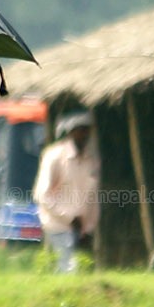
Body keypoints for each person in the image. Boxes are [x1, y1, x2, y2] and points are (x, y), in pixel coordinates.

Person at [34, 112, 100, 273]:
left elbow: (91, 195)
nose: (84, 134)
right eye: (80, 130)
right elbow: (42, 194)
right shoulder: (54, 156)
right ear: (70, 132)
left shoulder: (90, 159)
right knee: (69, 268)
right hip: (59, 225)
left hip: (84, 228)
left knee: (82, 269)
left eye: (87, 130)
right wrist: (69, 217)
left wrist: (88, 225)